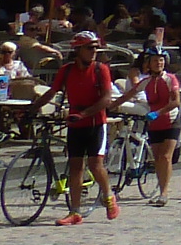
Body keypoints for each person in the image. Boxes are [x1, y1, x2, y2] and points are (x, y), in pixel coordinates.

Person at [32, 32, 118, 225]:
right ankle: (75, 211)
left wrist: (85, 114)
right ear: (78, 50)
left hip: (96, 122)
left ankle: (108, 196)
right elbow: (52, 92)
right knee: (75, 166)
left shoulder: (100, 69)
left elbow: (106, 99)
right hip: (75, 122)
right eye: (90, 48)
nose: (94, 51)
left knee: (95, 165)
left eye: (96, 48)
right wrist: (32, 108)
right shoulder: (67, 70)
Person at [112, 46, 181, 206]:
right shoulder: (146, 82)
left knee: (166, 157)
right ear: (149, 63)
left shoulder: (170, 79)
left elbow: (176, 101)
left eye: (161, 60)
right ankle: (160, 189)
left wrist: (159, 112)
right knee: (158, 158)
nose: (158, 63)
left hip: (170, 121)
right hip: (154, 123)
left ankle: (164, 193)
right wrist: (111, 106)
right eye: (155, 60)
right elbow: (128, 95)